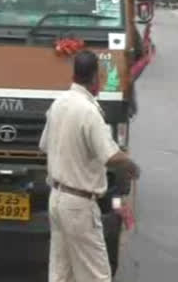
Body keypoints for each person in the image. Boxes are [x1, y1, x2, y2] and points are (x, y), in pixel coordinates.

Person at [39, 50, 140, 282]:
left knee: (61, 274)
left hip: (56, 198)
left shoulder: (59, 103)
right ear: (95, 77)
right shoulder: (88, 111)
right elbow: (110, 155)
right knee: (97, 276)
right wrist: (129, 164)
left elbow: (44, 144)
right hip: (79, 206)